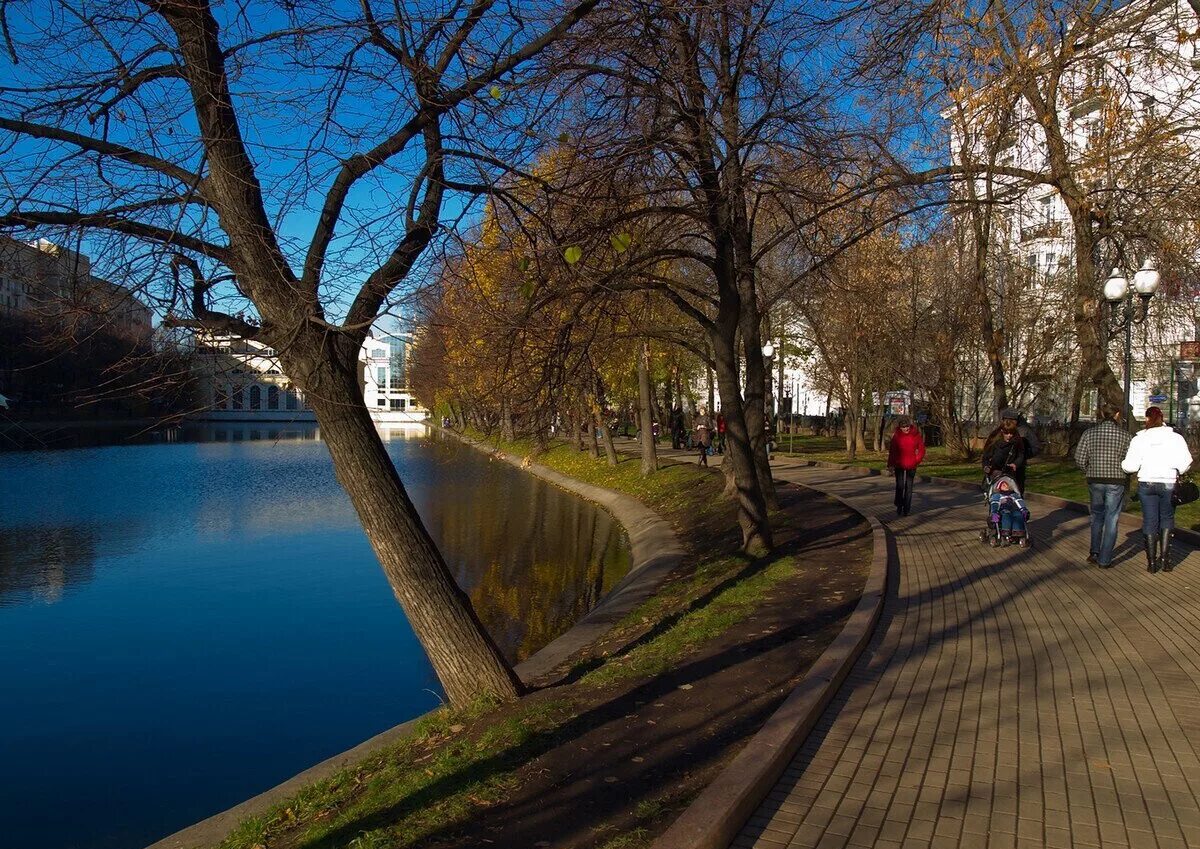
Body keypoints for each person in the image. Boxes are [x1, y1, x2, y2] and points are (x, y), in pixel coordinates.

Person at [1122, 406, 1193, 573]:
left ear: (1147, 419)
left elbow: (1130, 466)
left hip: (1146, 482)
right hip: (1168, 482)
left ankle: (1151, 562)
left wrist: (1124, 467)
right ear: (1162, 419)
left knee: (1149, 520)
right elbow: (1186, 462)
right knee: (1167, 518)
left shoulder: (1139, 439)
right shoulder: (1175, 438)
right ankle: (1166, 559)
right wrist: (1177, 470)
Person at [1073, 404, 1133, 568]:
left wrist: (1089, 469)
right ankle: (1105, 559)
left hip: (1095, 479)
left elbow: (1079, 458)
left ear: (1101, 414)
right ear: (1117, 415)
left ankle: (1094, 552)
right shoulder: (1125, 436)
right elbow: (1130, 462)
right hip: (1116, 480)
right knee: (1112, 518)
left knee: (1097, 515)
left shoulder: (1089, 433)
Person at [886, 416, 926, 517]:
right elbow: (892, 451)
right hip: (899, 464)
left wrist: (917, 459)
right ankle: (899, 504)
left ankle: (906, 508)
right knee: (900, 486)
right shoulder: (897, 436)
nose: (906, 429)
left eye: (907, 426)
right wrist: (890, 464)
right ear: (900, 428)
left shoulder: (915, 435)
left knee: (909, 487)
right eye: (903, 427)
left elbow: (921, 449)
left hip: (912, 464)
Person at [988, 475, 1029, 546]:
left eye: (1006, 484)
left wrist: (1023, 509)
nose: (1005, 485)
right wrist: (994, 512)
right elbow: (995, 504)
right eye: (1003, 485)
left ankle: (1018, 532)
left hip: (1014, 509)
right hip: (1003, 510)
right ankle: (1005, 533)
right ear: (999, 487)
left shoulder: (1014, 495)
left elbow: (1019, 502)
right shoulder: (997, 496)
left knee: (1018, 515)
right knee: (1006, 515)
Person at [982, 421, 1026, 488]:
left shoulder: (1016, 443)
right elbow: (986, 457)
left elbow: (1021, 455)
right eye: (1006, 433)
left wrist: (1015, 464)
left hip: (1010, 473)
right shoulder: (995, 442)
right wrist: (986, 466)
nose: (1009, 435)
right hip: (995, 472)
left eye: (1011, 433)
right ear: (1002, 431)